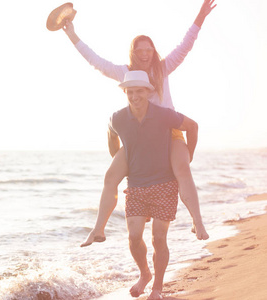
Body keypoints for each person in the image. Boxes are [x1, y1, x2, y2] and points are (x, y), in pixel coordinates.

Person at [63, 0, 216, 244]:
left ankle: (197, 222)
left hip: (170, 132)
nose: (145, 54)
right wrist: (72, 35)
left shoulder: (163, 68)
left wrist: (200, 16)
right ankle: (98, 229)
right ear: (133, 53)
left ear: (154, 52)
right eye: (139, 50)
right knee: (111, 176)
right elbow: (95, 61)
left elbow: (186, 45)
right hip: (137, 137)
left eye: (149, 49)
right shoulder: (125, 74)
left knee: (183, 169)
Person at [109, 70, 198, 299]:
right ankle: (144, 274)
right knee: (134, 236)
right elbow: (111, 132)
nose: (135, 95)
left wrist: (189, 154)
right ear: (125, 92)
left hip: (164, 183)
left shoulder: (163, 114)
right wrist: (120, 158)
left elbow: (193, 126)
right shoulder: (119, 117)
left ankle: (157, 288)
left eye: (140, 91)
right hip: (137, 184)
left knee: (159, 237)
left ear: (148, 92)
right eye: (131, 91)